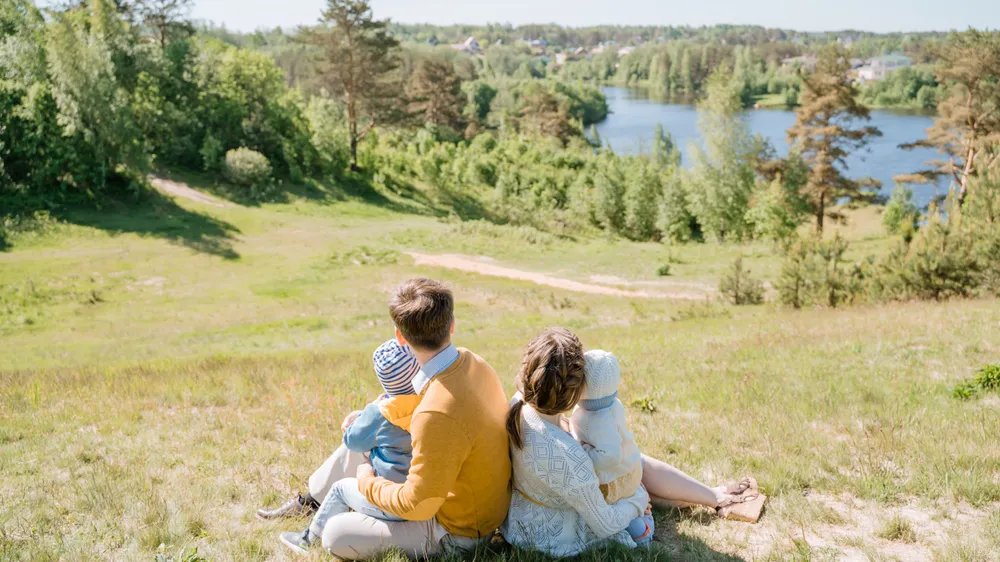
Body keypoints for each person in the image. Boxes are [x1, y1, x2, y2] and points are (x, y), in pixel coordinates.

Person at [263, 278, 512, 560]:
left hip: (455, 531)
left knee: (335, 534)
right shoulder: (473, 362)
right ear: (452, 324)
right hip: (475, 503)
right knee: (364, 434)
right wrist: (377, 414)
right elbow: (447, 420)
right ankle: (313, 500)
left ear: (400, 337)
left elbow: (418, 505)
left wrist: (366, 481)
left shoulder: (436, 413)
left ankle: (335, 507)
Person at [502, 328, 649, 557]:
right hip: (554, 537)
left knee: (636, 463)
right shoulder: (569, 457)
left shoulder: (519, 404)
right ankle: (712, 497)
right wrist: (639, 499)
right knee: (635, 471)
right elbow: (606, 524)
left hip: (524, 518)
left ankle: (712, 495)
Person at [278, 339, 422, 554]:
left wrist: (365, 414)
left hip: (388, 499)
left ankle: (309, 540)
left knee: (340, 488)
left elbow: (352, 441)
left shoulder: (381, 412)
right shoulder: (428, 404)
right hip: (419, 497)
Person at [570, 349, 653, 546]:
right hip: (629, 467)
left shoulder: (596, 421)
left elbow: (611, 456)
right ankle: (640, 503)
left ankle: (643, 533)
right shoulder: (613, 405)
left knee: (621, 509)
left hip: (615, 480)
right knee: (631, 496)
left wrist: (585, 452)